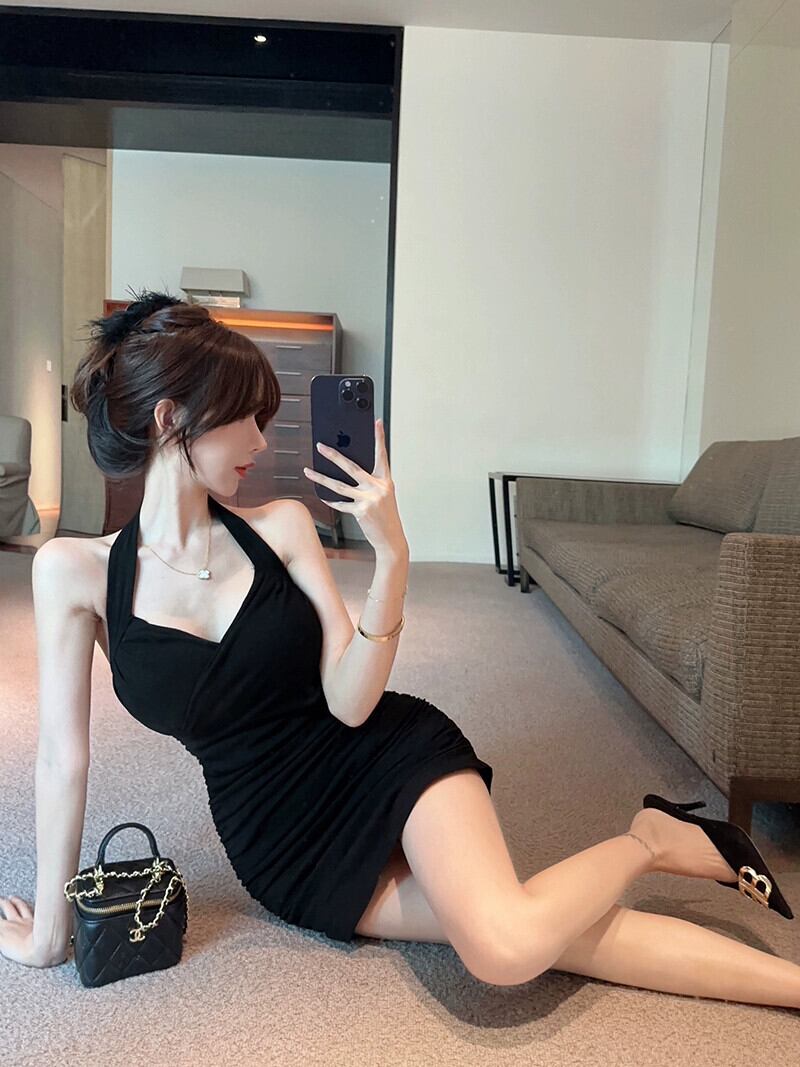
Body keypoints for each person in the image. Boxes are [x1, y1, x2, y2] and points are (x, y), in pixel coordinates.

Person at [1, 290, 798, 1012]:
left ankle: (649, 840)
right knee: (530, 927)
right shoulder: (76, 571)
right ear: (170, 418)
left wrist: (392, 558)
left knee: (504, 944)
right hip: (281, 844)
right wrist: (49, 933)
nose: (261, 440)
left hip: (384, 755)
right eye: (244, 416)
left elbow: (351, 702)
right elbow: (62, 760)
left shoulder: (281, 527)